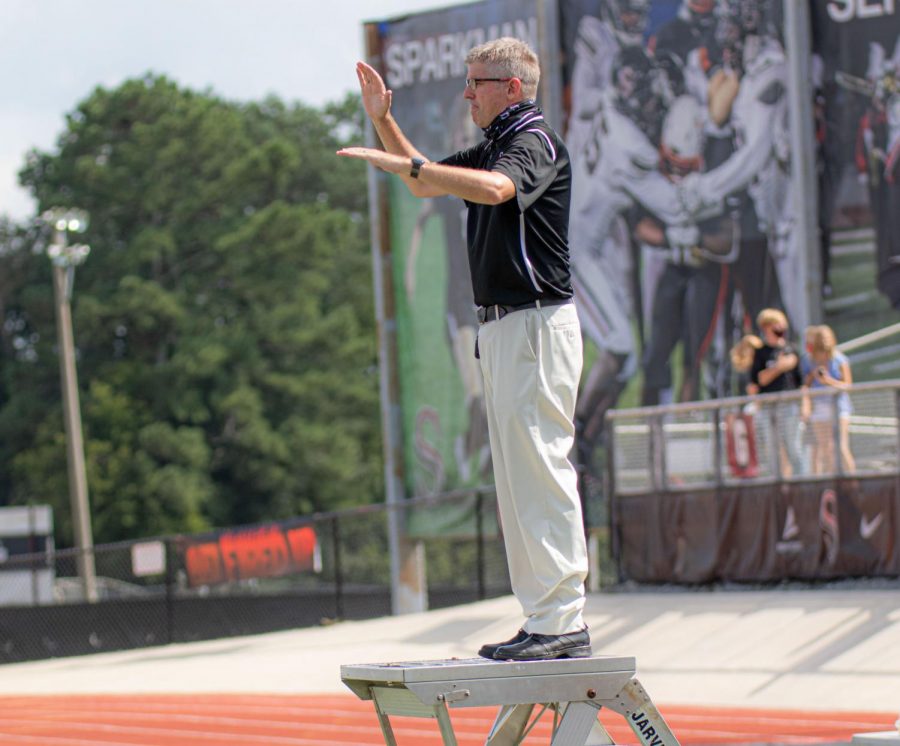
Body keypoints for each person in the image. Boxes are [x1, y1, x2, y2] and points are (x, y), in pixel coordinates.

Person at [338, 38, 591, 662]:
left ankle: (564, 620)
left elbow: (496, 190)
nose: (467, 91)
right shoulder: (501, 139)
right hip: (507, 329)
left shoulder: (531, 139)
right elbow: (426, 183)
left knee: (541, 470)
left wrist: (418, 169)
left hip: (535, 324)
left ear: (511, 87)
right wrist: (384, 122)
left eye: (477, 81)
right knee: (516, 481)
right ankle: (544, 618)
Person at [749, 308, 805, 477]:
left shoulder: (791, 349)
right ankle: (777, 483)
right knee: (772, 449)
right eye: (775, 325)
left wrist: (805, 405)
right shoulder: (760, 353)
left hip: (789, 405)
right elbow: (759, 380)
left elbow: (800, 382)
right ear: (766, 327)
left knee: (793, 446)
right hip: (768, 406)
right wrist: (779, 367)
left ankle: (801, 481)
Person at [801, 325, 855, 475]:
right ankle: (833, 479)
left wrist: (829, 381)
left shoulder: (840, 359)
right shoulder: (809, 360)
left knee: (841, 446)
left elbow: (848, 385)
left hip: (839, 406)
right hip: (819, 408)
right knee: (825, 448)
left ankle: (853, 480)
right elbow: (805, 385)